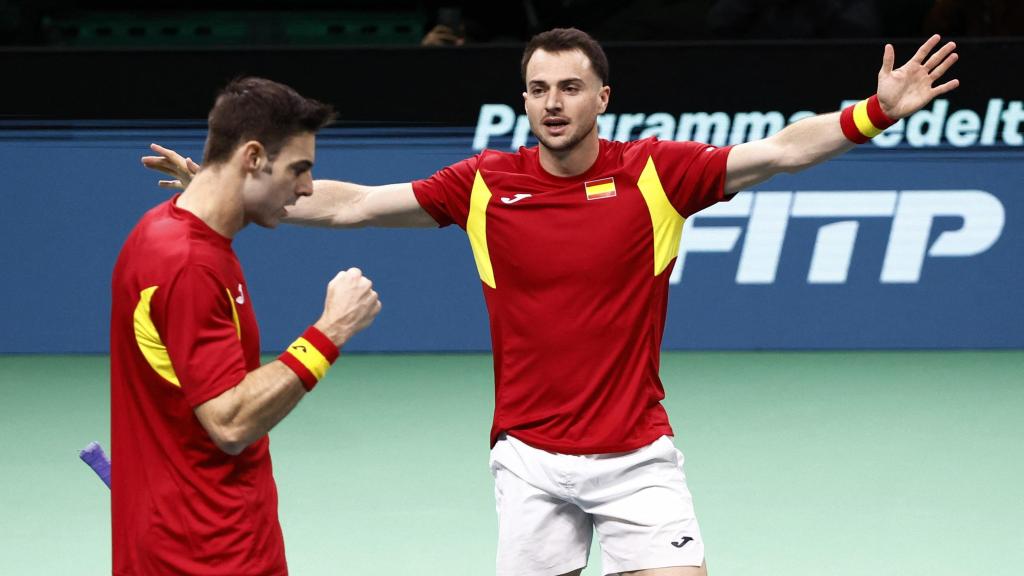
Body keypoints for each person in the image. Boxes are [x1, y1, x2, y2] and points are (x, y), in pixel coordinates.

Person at [145, 29, 958, 576]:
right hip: (528, 462)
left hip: (637, 456)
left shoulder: (657, 174)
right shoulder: (486, 185)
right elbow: (353, 203)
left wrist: (877, 111)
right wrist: (229, 184)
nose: (554, 103)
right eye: (538, 89)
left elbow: (779, 151)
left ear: (603, 96)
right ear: (525, 100)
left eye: (571, 87)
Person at [114, 77, 382, 574]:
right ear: (253, 157)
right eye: (299, 170)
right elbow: (230, 422)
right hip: (206, 554)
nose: (305, 188)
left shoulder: (162, 230)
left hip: (194, 534)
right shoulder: (190, 265)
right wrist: (331, 332)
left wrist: (210, 188)